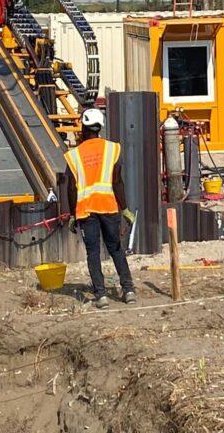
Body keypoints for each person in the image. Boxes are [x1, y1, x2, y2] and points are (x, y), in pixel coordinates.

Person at [64, 108, 135, 309]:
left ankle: (101, 296)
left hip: (86, 211)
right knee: (115, 248)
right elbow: (117, 181)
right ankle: (128, 290)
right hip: (109, 207)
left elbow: (71, 187)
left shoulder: (74, 155)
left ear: (83, 127)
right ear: (100, 127)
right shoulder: (113, 149)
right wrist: (125, 208)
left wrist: (72, 214)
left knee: (93, 252)